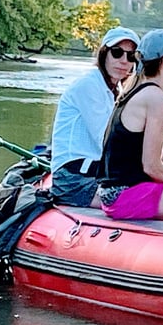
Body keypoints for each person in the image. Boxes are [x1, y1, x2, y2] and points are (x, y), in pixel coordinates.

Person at [95, 29, 163, 220]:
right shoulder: (156, 98)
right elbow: (151, 166)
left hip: (112, 195)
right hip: (126, 198)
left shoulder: (133, 91)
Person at [50, 26, 138, 206]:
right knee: (143, 201)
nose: (123, 61)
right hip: (72, 178)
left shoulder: (111, 90)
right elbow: (105, 141)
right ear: (104, 54)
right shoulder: (89, 85)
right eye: (117, 53)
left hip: (92, 172)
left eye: (131, 56)